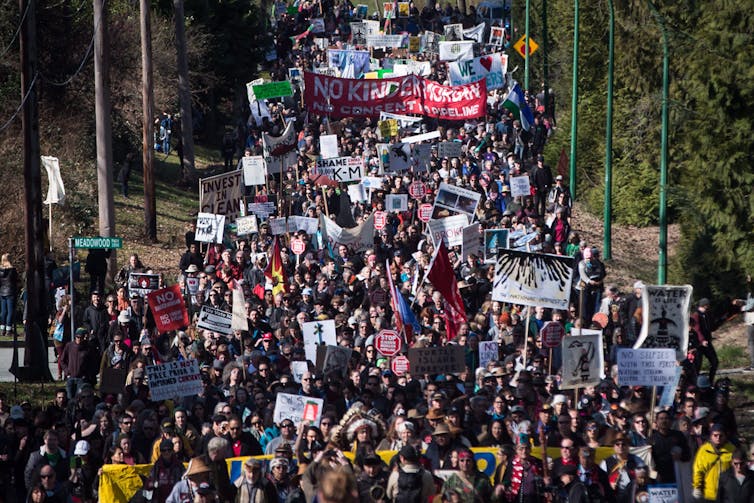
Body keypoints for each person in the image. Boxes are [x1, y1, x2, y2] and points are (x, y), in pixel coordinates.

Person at [692, 423, 734, 502]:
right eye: (715, 435)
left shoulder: (731, 450)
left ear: (725, 436)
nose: (718, 438)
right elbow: (698, 470)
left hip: (726, 493)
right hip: (708, 493)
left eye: (721, 436)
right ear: (711, 436)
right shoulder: (704, 450)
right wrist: (697, 487)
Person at [691, 298, 720, 383]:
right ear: (703, 305)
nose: (708, 307)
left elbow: (711, 326)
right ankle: (695, 383)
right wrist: (702, 340)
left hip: (707, 342)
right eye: (707, 306)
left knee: (714, 362)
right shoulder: (696, 315)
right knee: (697, 366)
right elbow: (697, 329)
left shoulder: (707, 314)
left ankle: (710, 381)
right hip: (698, 344)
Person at [0, 253, 18, 336]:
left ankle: (2, 329)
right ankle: (8, 330)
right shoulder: (12, 270)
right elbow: (16, 280)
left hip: (2, 291)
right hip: (10, 291)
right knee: (10, 311)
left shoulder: (1, 270)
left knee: (3, 311)